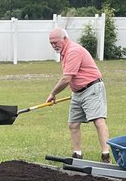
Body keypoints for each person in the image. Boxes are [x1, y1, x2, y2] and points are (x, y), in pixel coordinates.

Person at [46, 26, 110, 162]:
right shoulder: (64, 52)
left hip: (92, 88)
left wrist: (53, 93)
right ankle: (77, 155)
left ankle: (106, 155)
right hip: (77, 92)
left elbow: (66, 79)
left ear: (64, 39)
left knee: (98, 120)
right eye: (51, 43)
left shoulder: (73, 51)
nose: (53, 45)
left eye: (55, 42)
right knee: (73, 124)